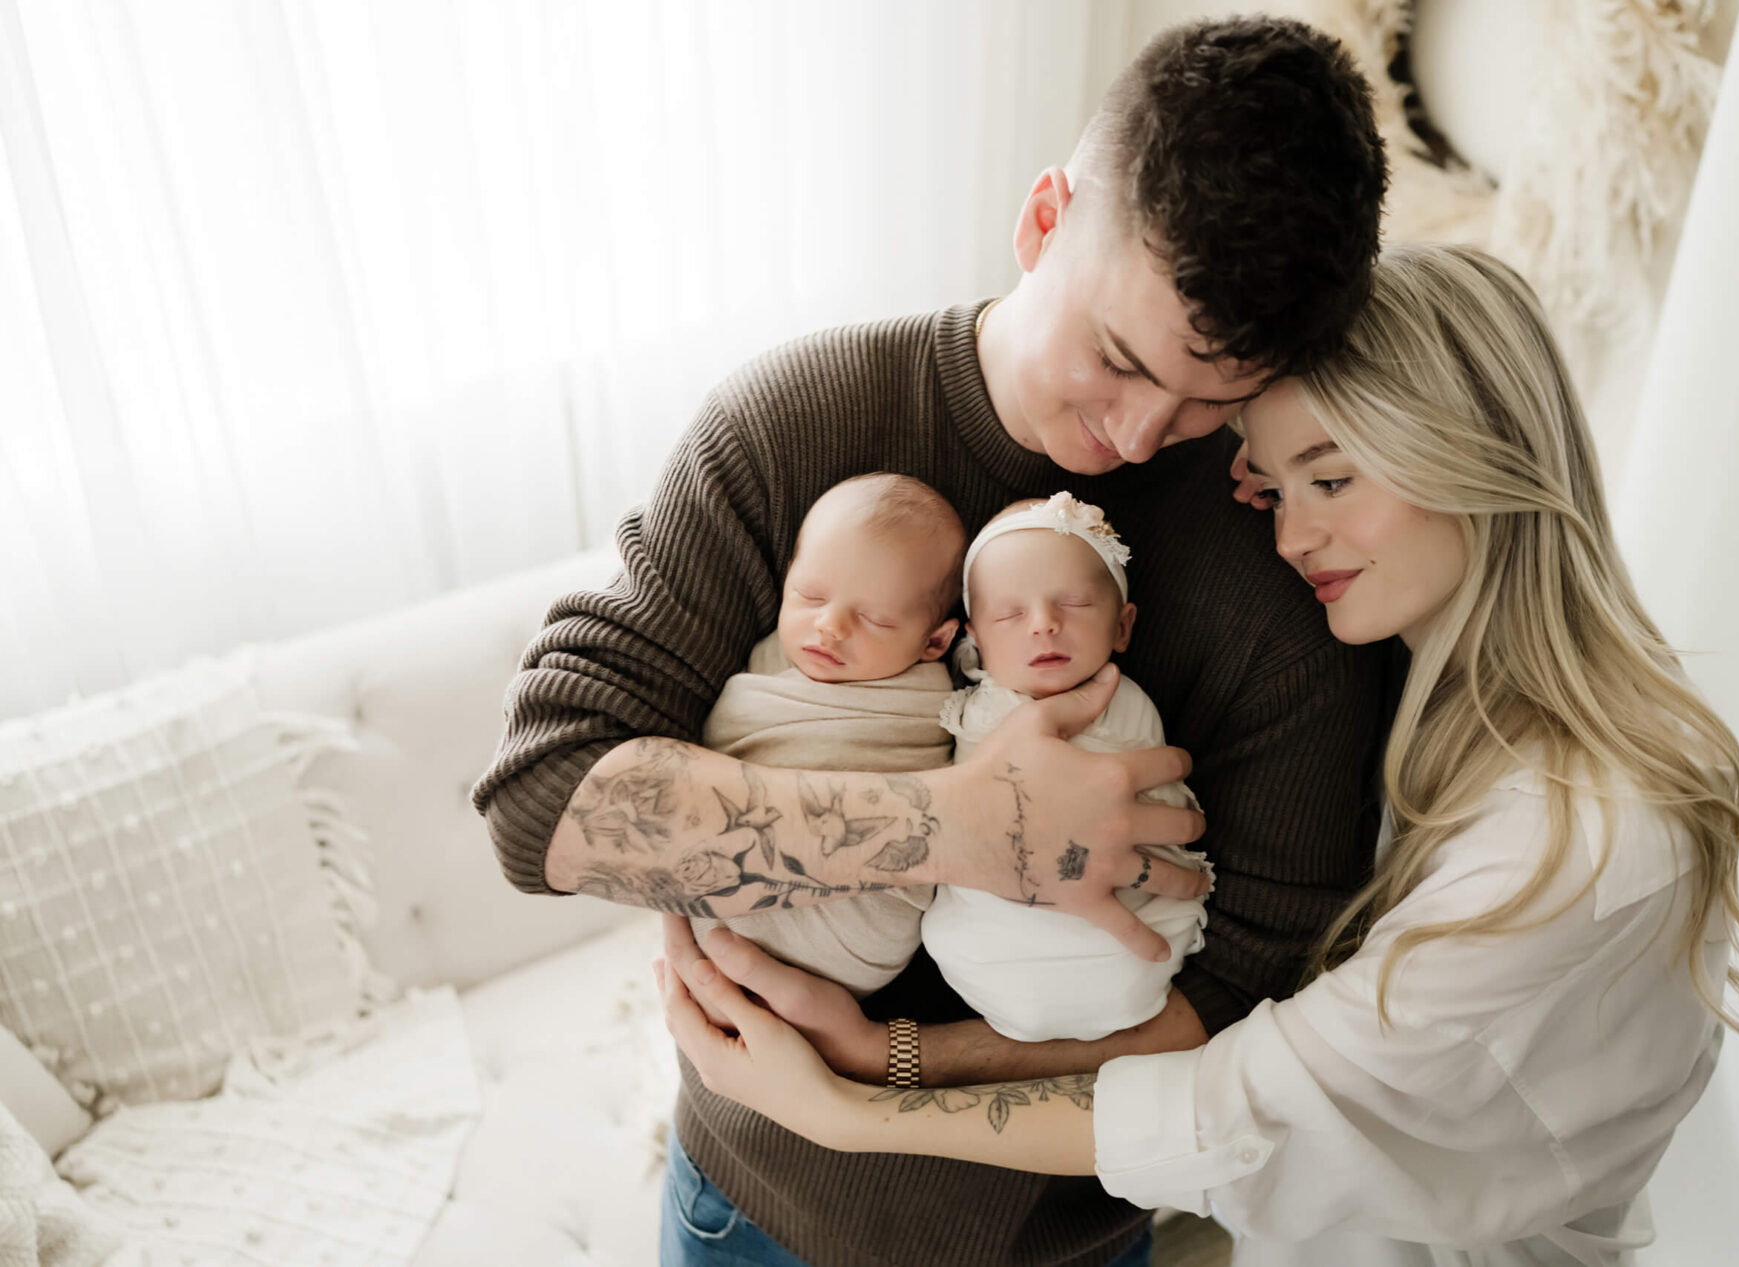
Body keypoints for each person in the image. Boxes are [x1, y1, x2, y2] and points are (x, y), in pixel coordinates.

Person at [473, 14, 1389, 1267]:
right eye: (1115, 359)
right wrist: (966, 825)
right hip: (754, 1214)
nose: (1134, 434)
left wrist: (890, 1064)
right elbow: (540, 800)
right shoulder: (796, 425)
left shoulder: (1284, 583)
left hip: (1061, 1245)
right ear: (1043, 219)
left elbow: (1241, 1013)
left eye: (1206, 403)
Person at [658, 244, 1739, 1266]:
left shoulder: (1585, 844)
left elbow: (1242, 1107)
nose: (1288, 535)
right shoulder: (1425, 699)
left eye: (1330, 481)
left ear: (1476, 452)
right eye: (1272, 485)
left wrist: (864, 1088)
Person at [925, 491, 1210, 1043]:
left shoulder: (1128, 703)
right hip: (991, 944)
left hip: (1127, 930)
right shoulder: (965, 709)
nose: (1044, 625)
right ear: (975, 641)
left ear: (1123, 627)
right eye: (1010, 614)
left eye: (1074, 604)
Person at [684, 473, 963, 998]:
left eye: (875, 618)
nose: (829, 625)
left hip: (850, 935)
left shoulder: (927, 706)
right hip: (721, 913)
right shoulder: (771, 656)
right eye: (810, 594)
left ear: (935, 641)